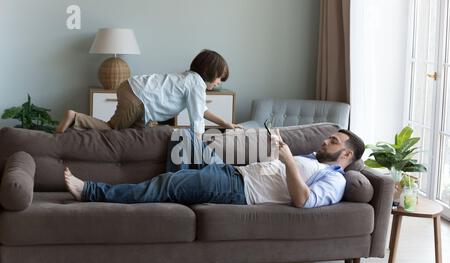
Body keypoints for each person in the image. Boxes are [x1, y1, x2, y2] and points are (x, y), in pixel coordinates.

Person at [64, 129, 366, 209]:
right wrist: (277, 153)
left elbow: (302, 200)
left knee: (167, 183)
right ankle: (181, 191)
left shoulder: (335, 182)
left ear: (347, 154)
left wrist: (287, 160)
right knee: (182, 137)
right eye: (330, 136)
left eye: (334, 140)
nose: (326, 140)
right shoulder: (315, 158)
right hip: (232, 172)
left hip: (237, 189)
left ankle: (90, 191)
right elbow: (281, 175)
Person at [56, 49, 240, 136]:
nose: (218, 83)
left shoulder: (190, 79)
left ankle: (78, 128)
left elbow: (201, 110)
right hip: (137, 97)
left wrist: (226, 123)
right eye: (219, 78)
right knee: (114, 129)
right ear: (210, 72)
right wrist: (198, 145)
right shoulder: (196, 84)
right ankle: (75, 118)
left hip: (133, 90)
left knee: (139, 133)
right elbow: (197, 119)